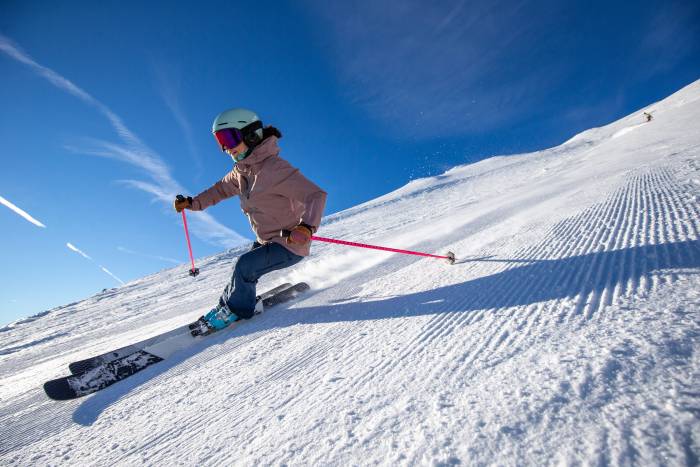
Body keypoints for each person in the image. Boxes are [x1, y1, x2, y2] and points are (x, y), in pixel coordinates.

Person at [174, 108, 327, 332]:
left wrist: (306, 227)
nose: (226, 147)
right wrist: (192, 203)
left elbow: (316, 195)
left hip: (290, 243)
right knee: (242, 268)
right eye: (220, 141)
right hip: (266, 240)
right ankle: (226, 306)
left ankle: (236, 310)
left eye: (229, 138)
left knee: (244, 266)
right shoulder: (241, 172)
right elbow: (218, 191)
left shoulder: (275, 169)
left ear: (250, 134)